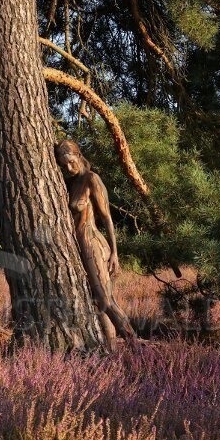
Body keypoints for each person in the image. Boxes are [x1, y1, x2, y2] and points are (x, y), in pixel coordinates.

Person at [54, 140, 139, 346]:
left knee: (104, 300)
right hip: (79, 246)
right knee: (97, 303)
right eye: (63, 165)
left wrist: (115, 254)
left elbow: (107, 218)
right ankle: (111, 353)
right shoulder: (71, 184)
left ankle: (135, 345)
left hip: (93, 244)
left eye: (71, 162)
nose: (69, 168)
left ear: (79, 155)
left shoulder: (92, 179)